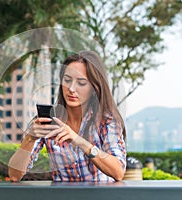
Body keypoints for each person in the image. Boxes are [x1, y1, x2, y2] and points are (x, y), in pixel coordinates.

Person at [8, 50, 126, 182]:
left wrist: (79, 140)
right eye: (67, 80)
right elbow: (14, 175)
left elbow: (118, 171)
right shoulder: (48, 120)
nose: (71, 88)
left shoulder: (107, 120)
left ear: (94, 88)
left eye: (81, 83)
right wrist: (29, 139)